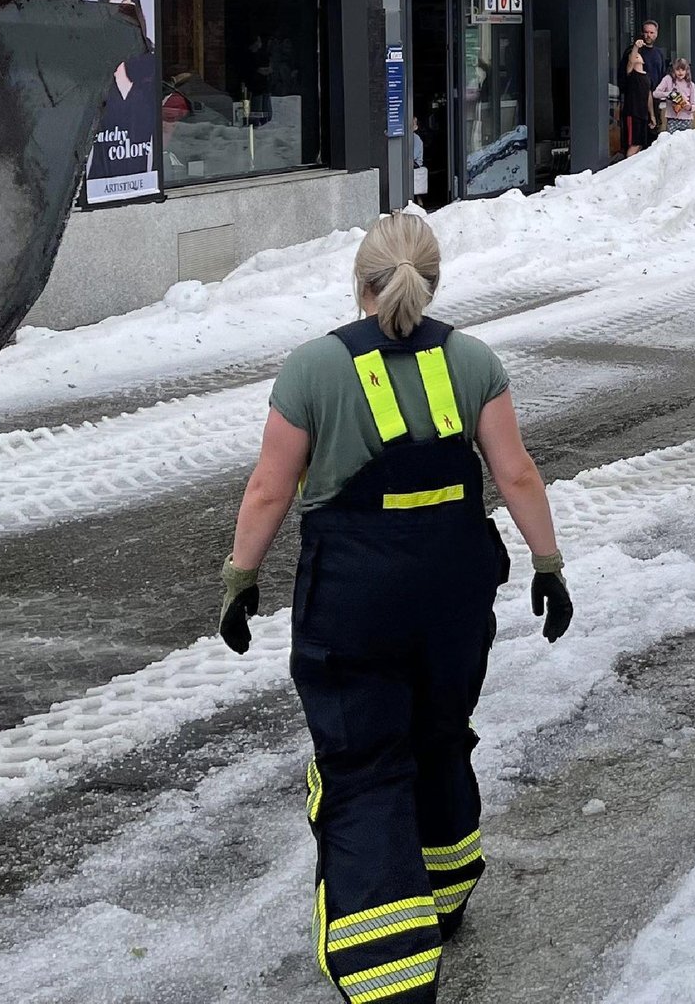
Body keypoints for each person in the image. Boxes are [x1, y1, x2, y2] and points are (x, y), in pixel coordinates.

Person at [219, 213, 573, 1004]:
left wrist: (240, 578)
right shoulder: (474, 359)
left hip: (355, 594)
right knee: (441, 734)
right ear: (432, 280)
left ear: (361, 282)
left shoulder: (313, 368)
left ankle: (387, 976)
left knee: (364, 761)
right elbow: (515, 474)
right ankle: (445, 895)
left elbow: (270, 488)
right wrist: (547, 565)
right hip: (454, 587)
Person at [87, 0, 160, 187]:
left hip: (144, 186)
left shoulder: (151, 70)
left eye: (127, 8)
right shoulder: (93, 73)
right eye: (113, 9)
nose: (122, 17)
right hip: (99, 190)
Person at [618, 43, 657, 156]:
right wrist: (635, 47)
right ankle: (627, 168)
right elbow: (630, 63)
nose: (635, 56)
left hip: (643, 114)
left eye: (637, 55)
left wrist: (652, 115)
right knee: (633, 144)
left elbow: (649, 96)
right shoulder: (631, 74)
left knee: (640, 144)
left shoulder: (647, 77)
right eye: (633, 55)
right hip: (632, 113)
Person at [653, 58, 695, 134]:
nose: (680, 72)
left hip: (686, 119)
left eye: (683, 70)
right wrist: (669, 94)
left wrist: (689, 107)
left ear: (687, 71)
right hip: (672, 118)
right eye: (678, 70)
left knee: (686, 141)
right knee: (671, 141)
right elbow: (655, 93)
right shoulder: (668, 79)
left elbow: (694, 104)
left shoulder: (691, 85)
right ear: (673, 70)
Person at [636, 20, 669, 97]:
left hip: (656, 94)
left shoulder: (659, 53)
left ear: (656, 34)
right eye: (646, 32)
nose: (648, 35)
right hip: (640, 95)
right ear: (642, 33)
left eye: (651, 33)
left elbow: (662, 73)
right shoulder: (636, 51)